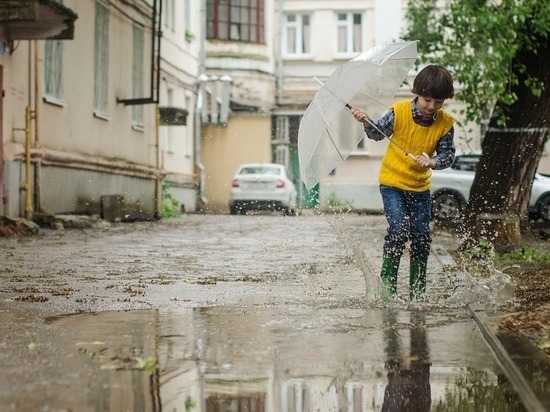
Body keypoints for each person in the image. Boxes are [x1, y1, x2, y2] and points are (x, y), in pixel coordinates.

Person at [351, 64, 455, 301]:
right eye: (427, 100)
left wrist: (433, 161)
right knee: (398, 231)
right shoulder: (398, 111)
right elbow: (377, 133)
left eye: (438, 102)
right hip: (393, 184)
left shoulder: (445, 123)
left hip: (420, 188)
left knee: (421, 236)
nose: (432, 106)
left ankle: (417, 294)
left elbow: (448, 156)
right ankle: (388, 292)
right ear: (416, 92)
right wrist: (366, 121)